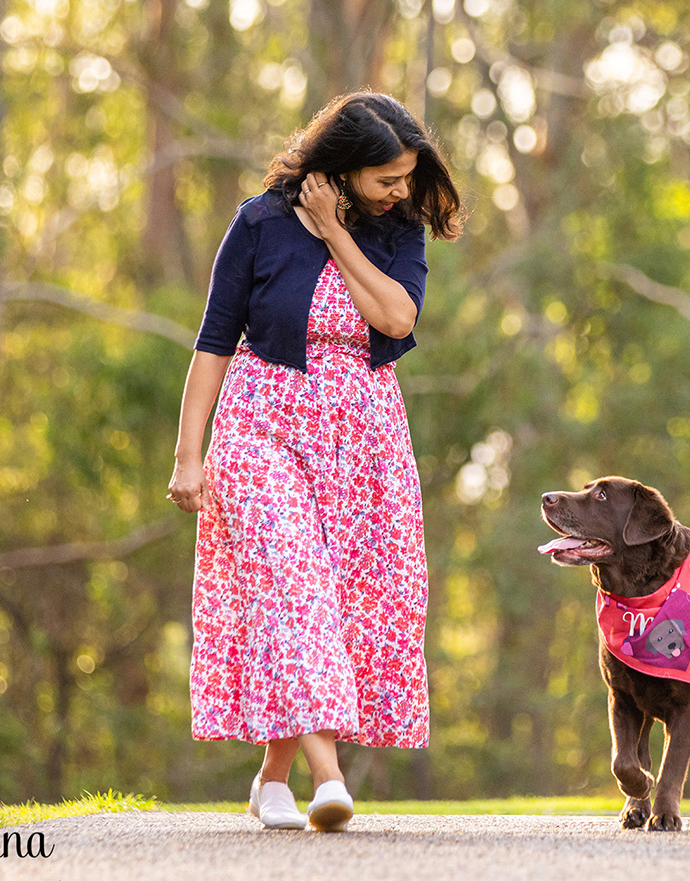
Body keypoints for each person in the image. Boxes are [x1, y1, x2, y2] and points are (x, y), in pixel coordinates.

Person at [166, 92, 463, 832]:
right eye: (387, 177)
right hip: (261, 426)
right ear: (341, 166)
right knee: (294, 584)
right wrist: (188, 458)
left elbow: (396, 318)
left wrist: (336, 231)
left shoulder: (397, 233)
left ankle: (273, 778)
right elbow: (213, 342)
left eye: (406, 177)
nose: (402, 190)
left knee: (332, 607)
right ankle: (329, 778)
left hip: (362, 442)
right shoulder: (259, 223)